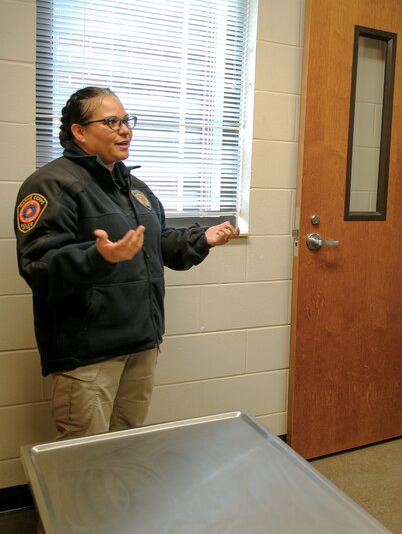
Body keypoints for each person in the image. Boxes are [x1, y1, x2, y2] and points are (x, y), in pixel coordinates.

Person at [14, 86, 240, 440]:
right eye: (112, 121)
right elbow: (39, 267)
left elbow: (159, 242)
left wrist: (200, 238)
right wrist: (97, 257)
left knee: (128, 450)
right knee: (84, 462)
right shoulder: (52, 184)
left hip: (141, 344)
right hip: (87, 356)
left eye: (127, 120)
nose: (125, 130)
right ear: (79, 131)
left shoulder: (133, 187)